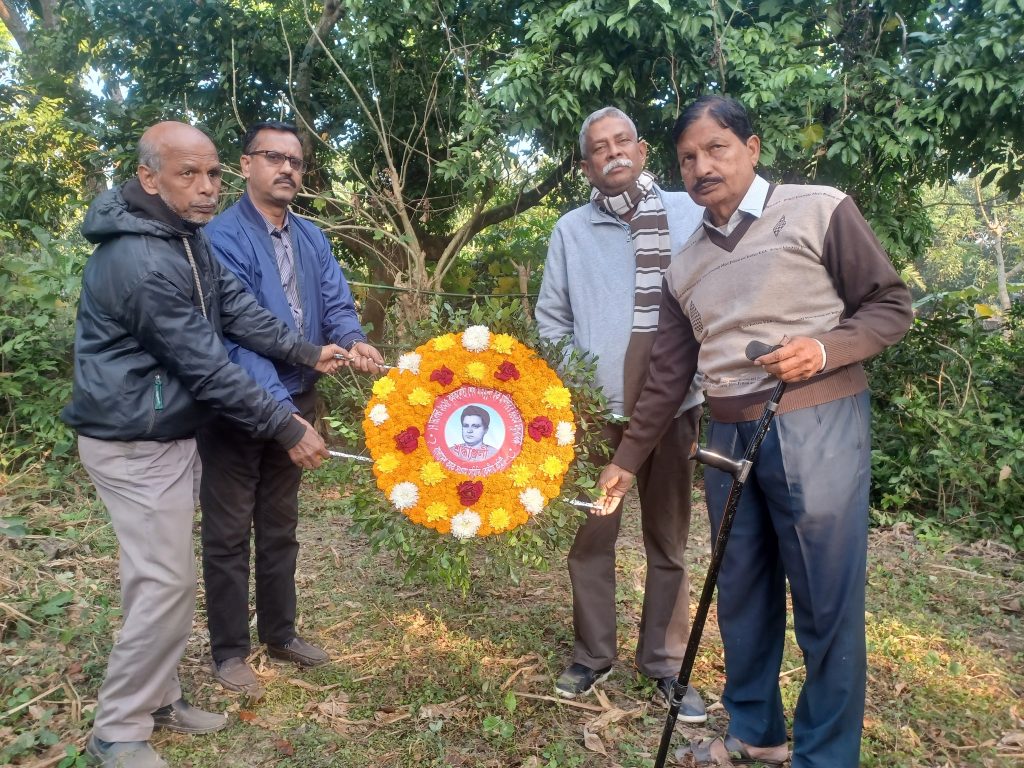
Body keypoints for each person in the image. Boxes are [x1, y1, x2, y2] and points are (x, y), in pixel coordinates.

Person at [596, 95, 913, 767]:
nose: (701, 167)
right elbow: (667, 377)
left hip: (816, 421)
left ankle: (825, 757)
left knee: (824, 599)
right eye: (688, 157)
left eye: (716, 148)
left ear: (753, 147)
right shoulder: (684, 266)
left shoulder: (818, 209)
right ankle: (755, 734)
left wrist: (824, 349)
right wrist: (627, 458)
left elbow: (889, 305)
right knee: (740, 591)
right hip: (725, 437)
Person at [62, 121, 352, 768]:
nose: (206, 187)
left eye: (212, 173)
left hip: (164, 432)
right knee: (166, 582)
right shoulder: (140, 262)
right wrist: (286, 425)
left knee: (157, 580)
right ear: (149, 178)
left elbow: (239, 311)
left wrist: (307, 353)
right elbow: (207, 365)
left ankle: (159, 698)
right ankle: (118, 730)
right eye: (188, 174)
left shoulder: (183, 239)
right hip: (132, 440)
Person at [199, 121, 384, 694]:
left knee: (280, 527)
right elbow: (235, 335)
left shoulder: (309, 236)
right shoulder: (220, 237)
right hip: (239, 402)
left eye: (296, 162)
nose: (286, 169)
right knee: (229, 532)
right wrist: (283, 417)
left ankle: (280, 634)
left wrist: (353, 340)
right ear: (245, 165)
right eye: (273, 157)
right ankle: (230, 651)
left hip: (297, 400)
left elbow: (335, 300)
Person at [535, 106, 707, 720]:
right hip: (596, 414)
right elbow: (551, 318)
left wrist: (698, 380)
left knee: (669, 540)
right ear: (586, 166)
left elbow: (711, 304)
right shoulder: (571, 231)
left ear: (641, 149)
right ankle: (592, 654)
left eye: (621, 141)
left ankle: (665, 662)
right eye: (599, 148)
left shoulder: (689, 214)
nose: (613, 153)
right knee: (591, 538)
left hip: (674, 409)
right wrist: (578, 384)